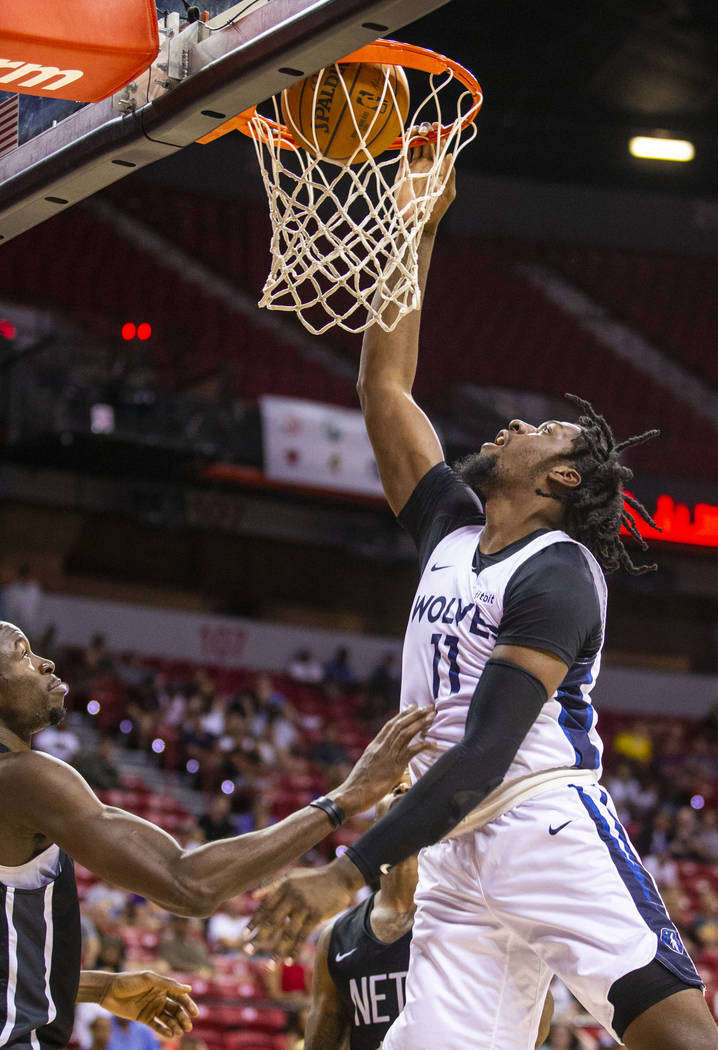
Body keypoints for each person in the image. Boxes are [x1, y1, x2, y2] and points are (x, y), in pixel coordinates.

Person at [247, 146, 718, 1050]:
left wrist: (346, 872)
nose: (514, 423)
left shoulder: (558, 571)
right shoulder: (452, 535)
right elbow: (383, 386)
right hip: (455, 856)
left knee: (678, 1036)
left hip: (540, 821)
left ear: (563, 476)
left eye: (541, 427)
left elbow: (484, 756)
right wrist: (416, 225)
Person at [0, 619, 433, 1050]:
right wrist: (345, 798)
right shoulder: (23, 777)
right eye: (22, 654)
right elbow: (187, 884)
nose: (46, 662)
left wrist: (100, 987)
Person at [304, 777, 553, 1050]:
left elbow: (533, 1021)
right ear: (373, 826)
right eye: (395, 786)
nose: (405, 790)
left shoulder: (474, 915)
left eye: (420, 784)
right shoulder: (337, 937)